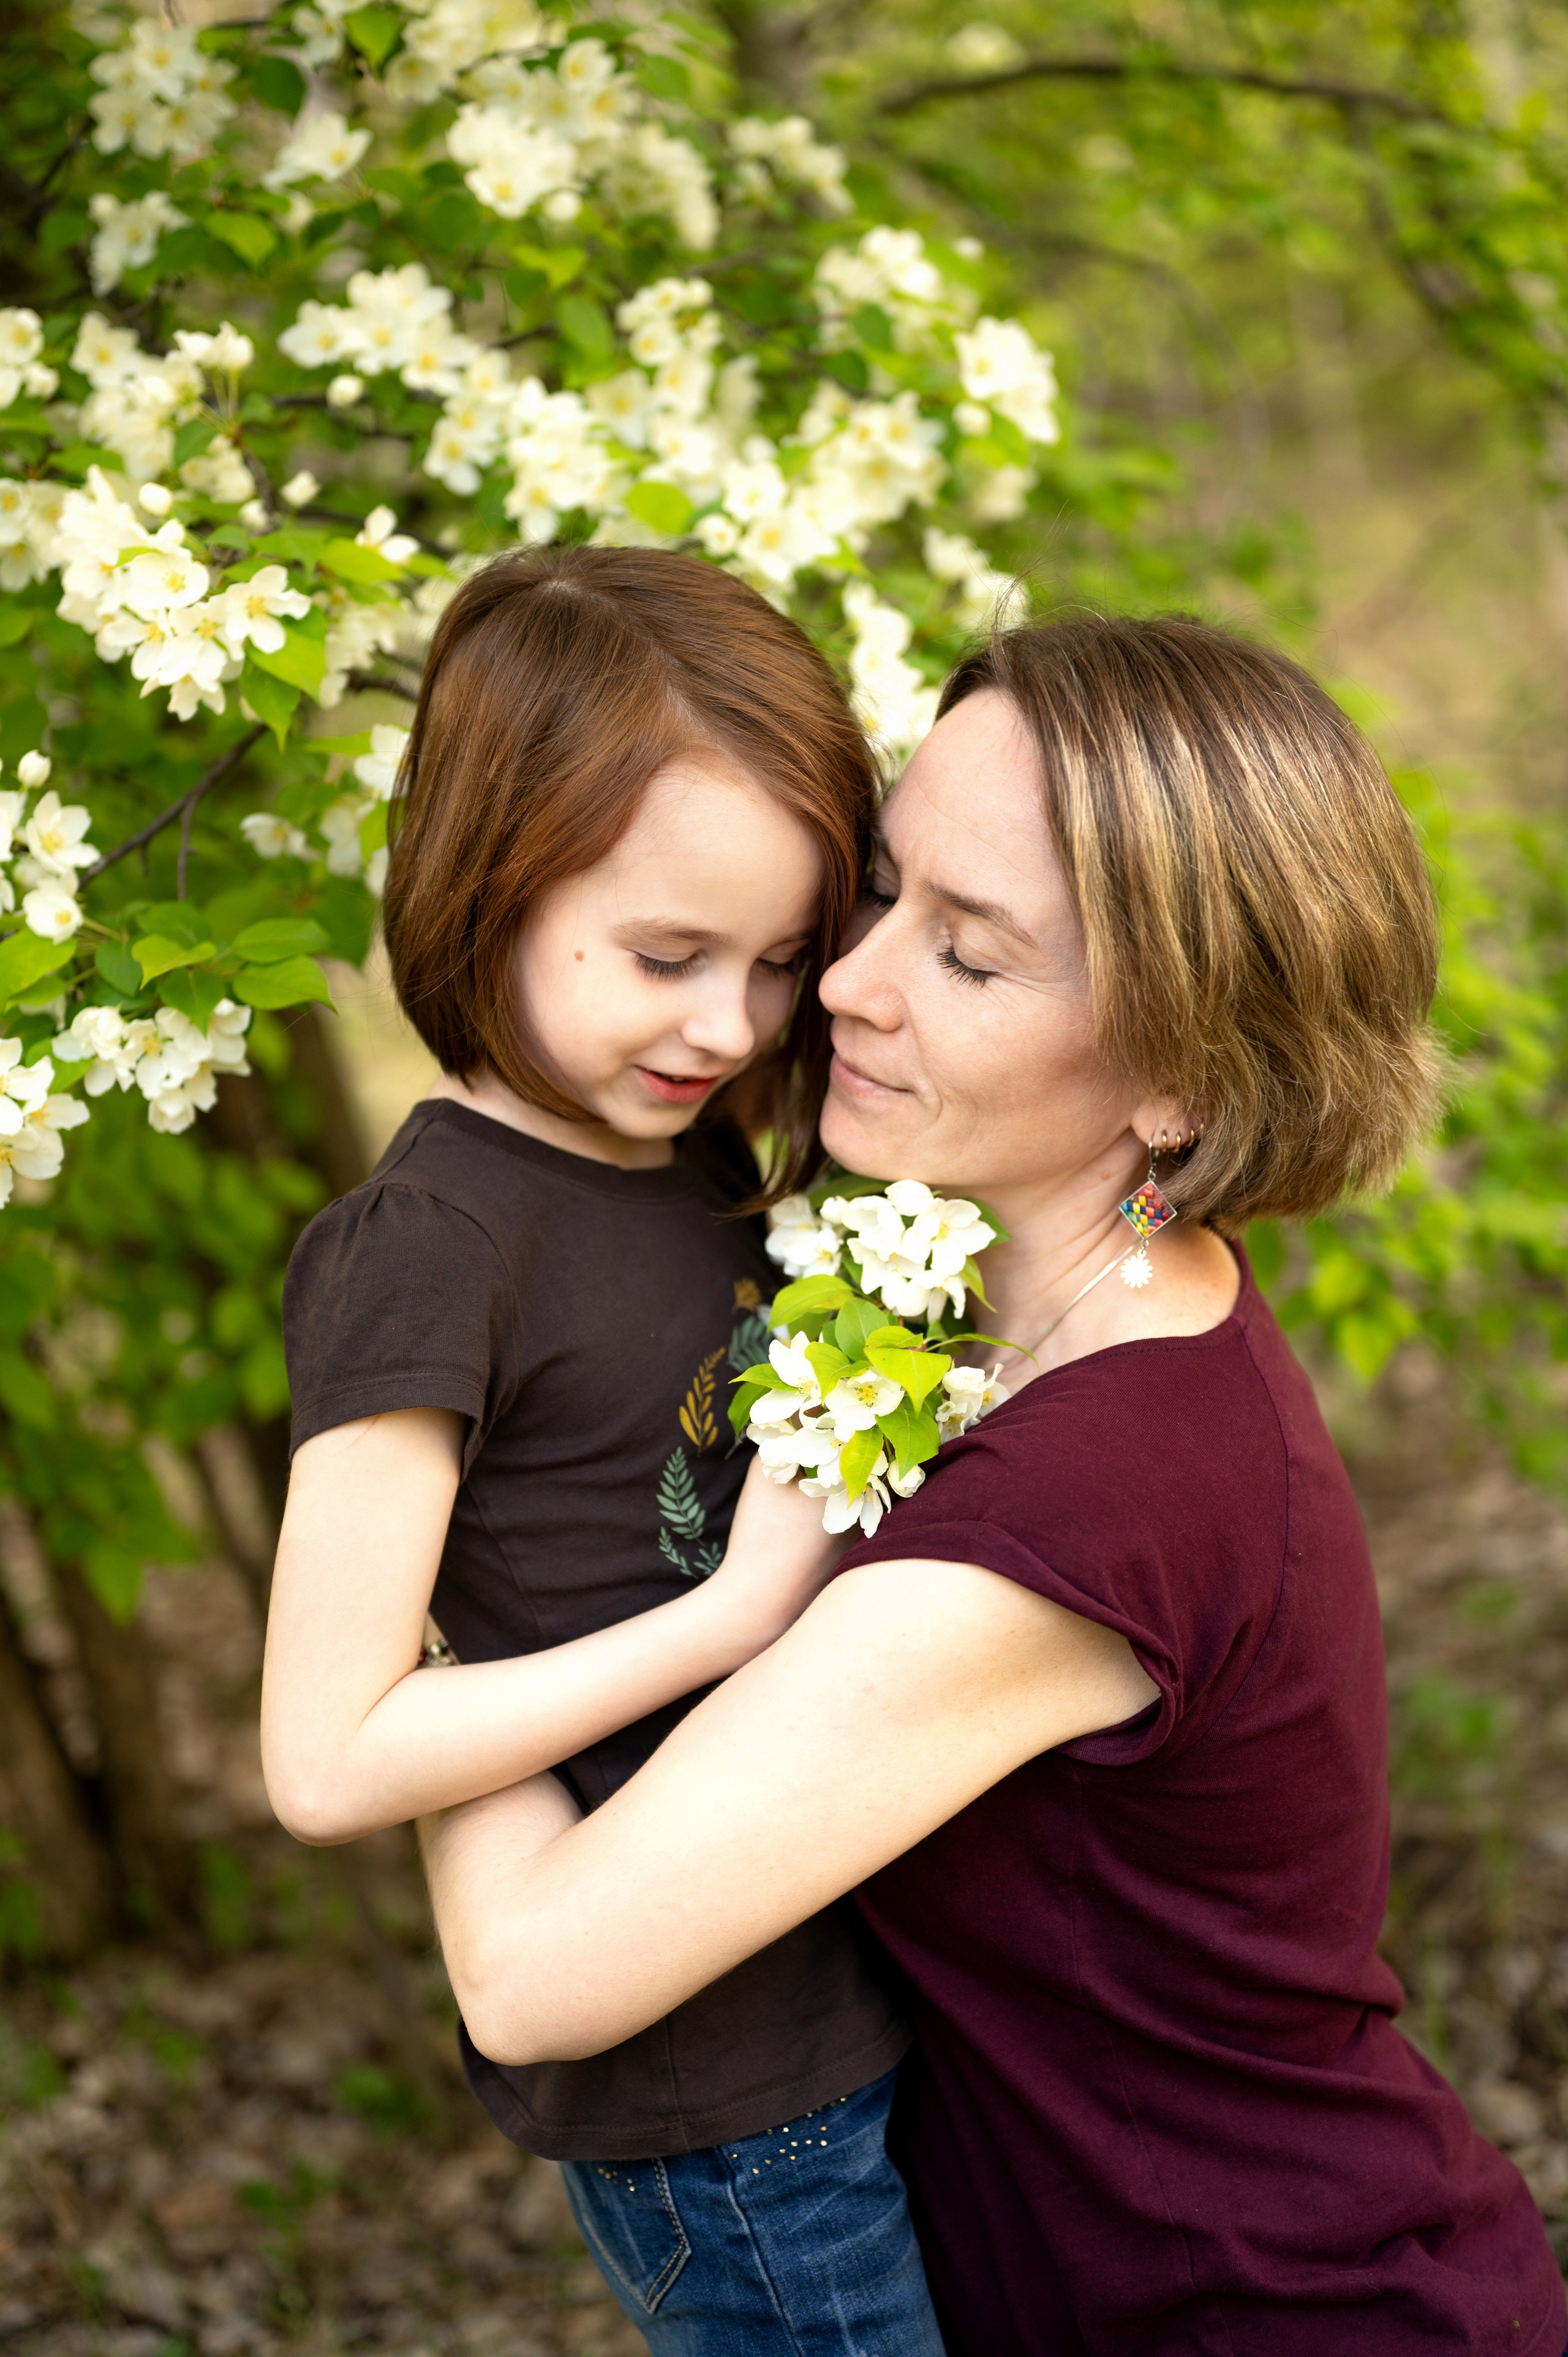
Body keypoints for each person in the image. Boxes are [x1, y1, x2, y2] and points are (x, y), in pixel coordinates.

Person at [420, 610, 1568, 2356]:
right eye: (881, 890)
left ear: (1182, 1077)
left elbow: (535, 1979)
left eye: (971, 956)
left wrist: (429, 1588)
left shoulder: (1088, 1504)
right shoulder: (972, 1306)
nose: (853, 980)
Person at [260, 547, 944, 2355]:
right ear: (490, 882)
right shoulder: (432, 1246)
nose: (729, 1026)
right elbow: (328, 1758)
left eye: (783, 962)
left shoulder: (701, 1159)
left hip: (852, 1982)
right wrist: (727, 1620)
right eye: (666, 956)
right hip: (718, 2100)